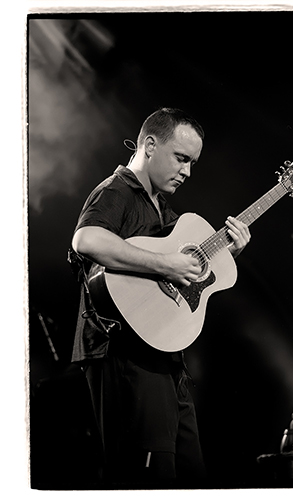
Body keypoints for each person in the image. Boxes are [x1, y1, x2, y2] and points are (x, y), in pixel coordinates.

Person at [69, 107, 251, 488]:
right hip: (123, 354)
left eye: (193, 163)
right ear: (150, 145)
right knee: (149, 479)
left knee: (188, 474)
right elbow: (87, 240)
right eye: (181, 158)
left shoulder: (162, 208)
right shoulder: (118, 190)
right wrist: (166, 264)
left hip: (162, 357)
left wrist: (224, 255)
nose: (187, 171)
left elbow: (174, 277)